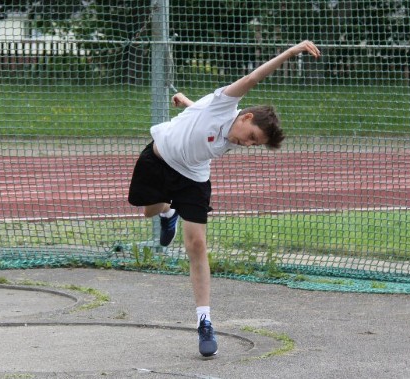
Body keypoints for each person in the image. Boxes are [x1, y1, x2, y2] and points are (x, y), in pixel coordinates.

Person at [127, 40, 321, 357]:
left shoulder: (230, 135)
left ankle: (205, 321)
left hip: (193, 179)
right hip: (158, 160)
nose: (248, 145)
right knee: (147, 209)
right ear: (245, 117)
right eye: (253, 138)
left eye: (255, 146)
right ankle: (167, 211)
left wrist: (187, 102)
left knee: (197, 244)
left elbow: (201, 122)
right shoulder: (225, 101)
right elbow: (253, 78)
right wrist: (292, 51)